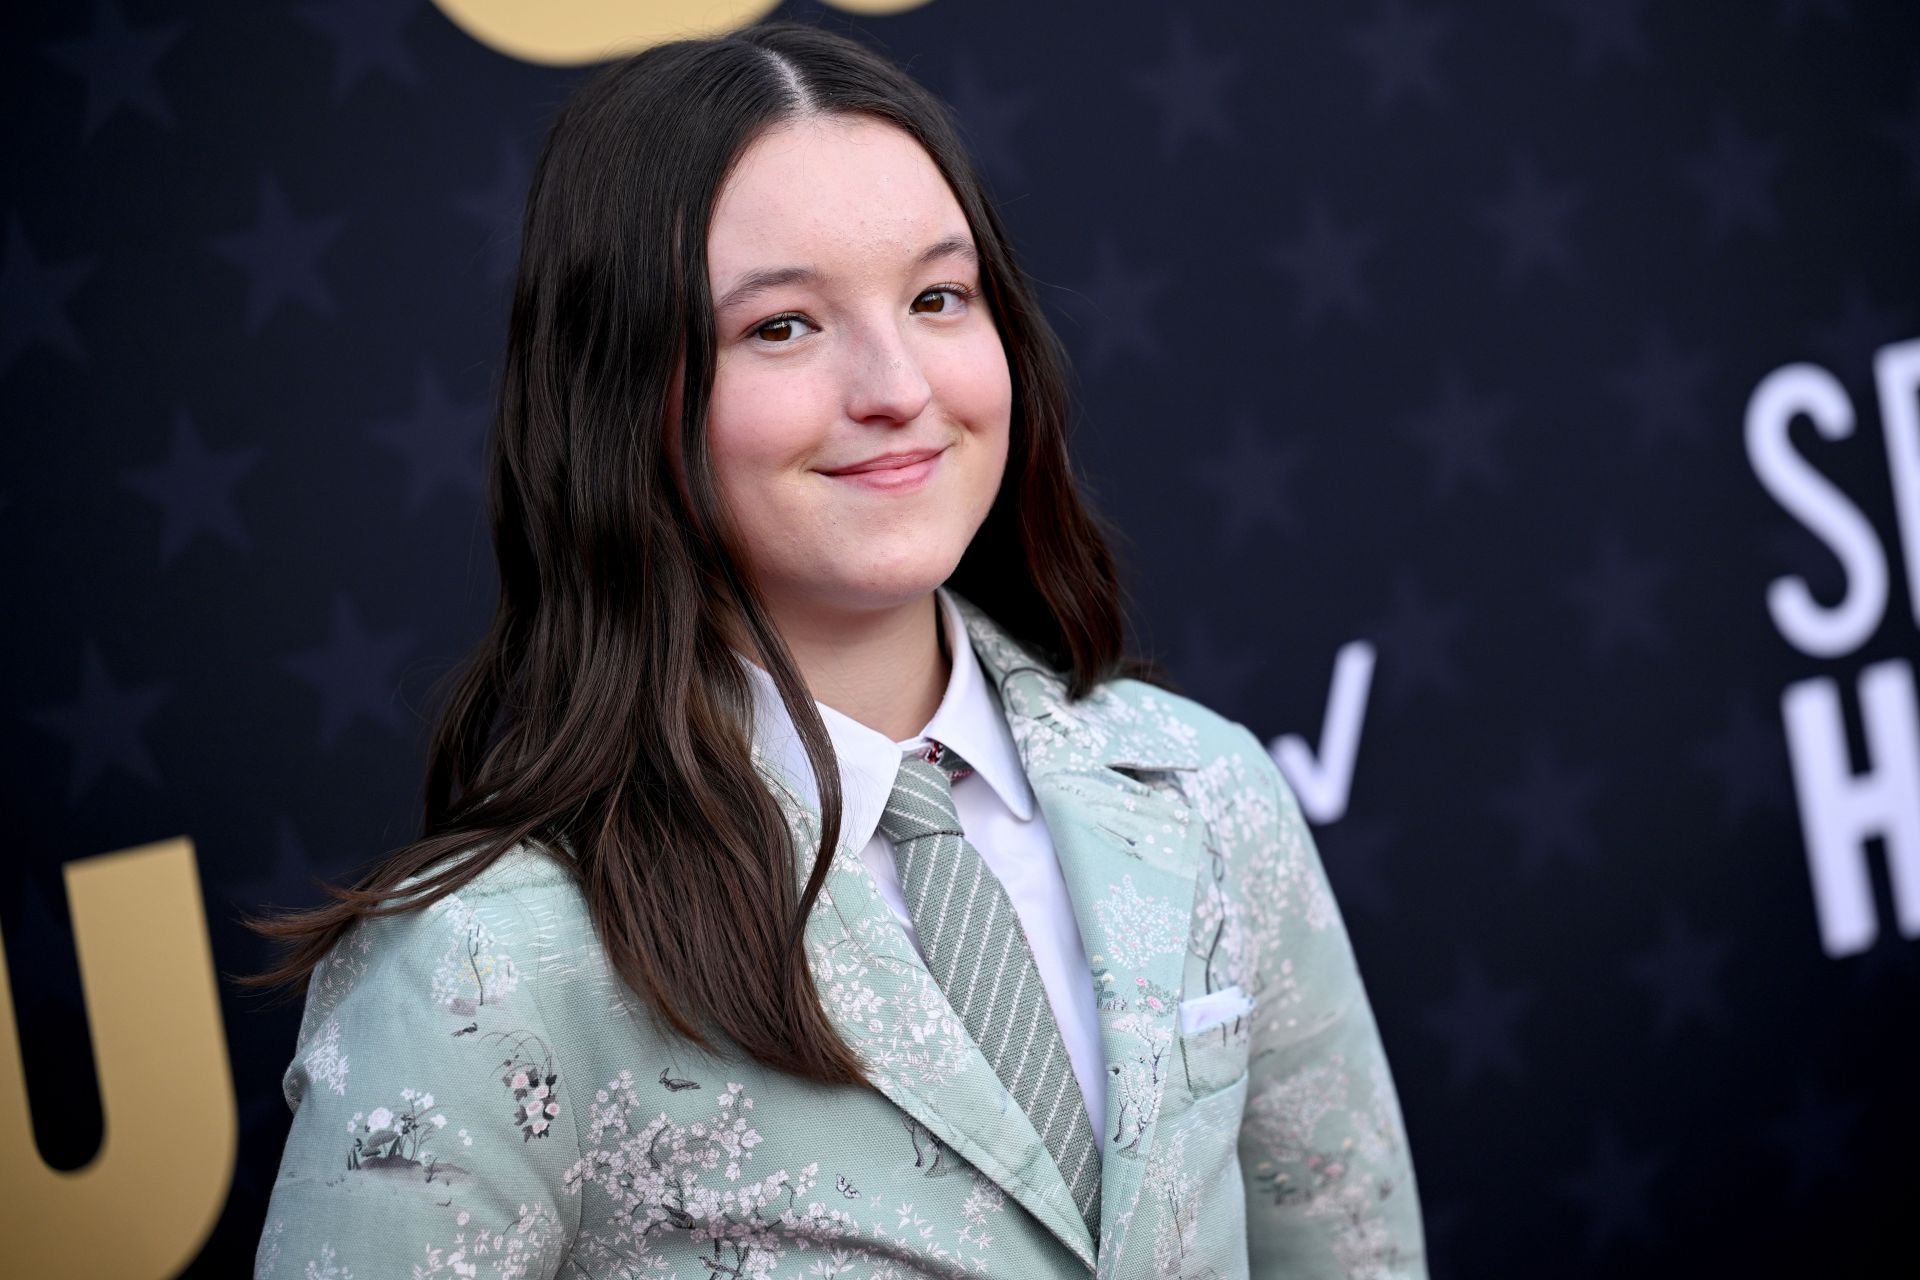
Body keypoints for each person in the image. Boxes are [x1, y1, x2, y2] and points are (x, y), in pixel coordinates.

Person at [242, 19, 1427, 1279]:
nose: (896, 385)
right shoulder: (483, 964)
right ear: (621, 395)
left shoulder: (1208, 793)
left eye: (936, 298)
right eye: (783, 327)